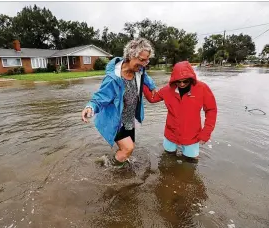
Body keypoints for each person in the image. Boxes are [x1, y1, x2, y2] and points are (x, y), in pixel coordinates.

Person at [81, 38, 157, 167]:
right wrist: (90, 107)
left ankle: (112, 163)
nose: (145, 64)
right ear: (130, 56)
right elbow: (100, 97)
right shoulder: (113, 79)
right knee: (128, 149)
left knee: (128, 149)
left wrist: (152, 86)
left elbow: (146, 77)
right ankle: (110, 167)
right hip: (115, 121)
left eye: (147, 60)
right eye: (142, 60)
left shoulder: (139, 70)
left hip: (129, 119)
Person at [143, 61, 217, 162]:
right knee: (168, 158)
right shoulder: (167, 90)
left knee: (191, 162)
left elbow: (211, 110)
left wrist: (206, 132)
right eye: (179, 81)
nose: (182, 84)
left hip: (191, 134)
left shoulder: (202, 88)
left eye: (185, 81)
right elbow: (153, 98)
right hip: (171, 132)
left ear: (191, 79)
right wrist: (142, 82)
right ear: (174, 79)